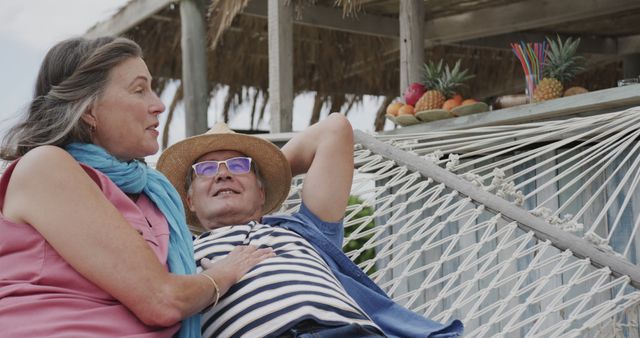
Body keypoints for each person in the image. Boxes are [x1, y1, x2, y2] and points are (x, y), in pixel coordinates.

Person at [0, 36, 273, 337]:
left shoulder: (153, 196)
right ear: (89, 109)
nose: (159, 104)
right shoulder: (45, 169)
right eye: (139, 90)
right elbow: (163, 299)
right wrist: (222, 274)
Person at [157, 114, 464, 337]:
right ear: (189, 200)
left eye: (238, 166)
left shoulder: (301, 229)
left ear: (262, 193)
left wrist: (266, 175)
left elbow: (335, 130)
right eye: (207, 169)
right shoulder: (175, 254)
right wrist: (244, 178)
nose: (223, 174)